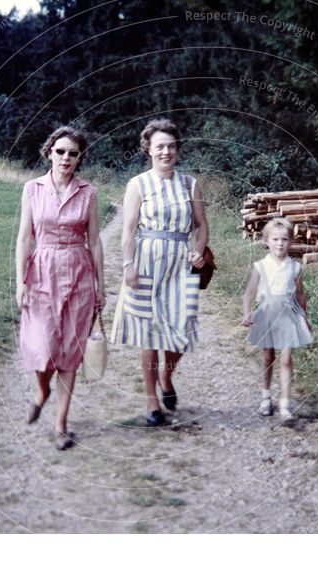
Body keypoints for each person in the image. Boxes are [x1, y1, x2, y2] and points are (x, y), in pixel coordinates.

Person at [111, 119, 208, 426]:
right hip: (147, 261)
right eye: (159, 147)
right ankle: (152, 402)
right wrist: (128, 267)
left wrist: (199, 250)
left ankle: (167, 375)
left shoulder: (189, 184)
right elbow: (128, 231)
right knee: (148, 335)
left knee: (178, 334)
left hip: (181, 262)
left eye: (171, 146)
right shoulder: (137, 184)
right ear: (148, 150)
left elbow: (201, 224)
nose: (166, 152)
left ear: (177, 150)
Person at [15, 126, 104, 450]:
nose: (66, 158)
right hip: (42, 272)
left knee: (69, 351)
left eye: (73, 153)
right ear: (49, 152)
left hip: (78, 272)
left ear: (80, 158)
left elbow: (94, 241)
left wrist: (100, 286)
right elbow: (25, 237)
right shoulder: (32, 189)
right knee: (42, 347)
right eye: (61, 151)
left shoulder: (88, 192)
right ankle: (42, 390)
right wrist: (19, 282)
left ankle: (61, 424)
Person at [241, 218, 313, 420]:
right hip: (266, 315)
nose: (279, 244)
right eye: (275, 239)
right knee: (268, 357)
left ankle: (285, 405)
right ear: (266, 241)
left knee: (286, 359)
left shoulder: (295, 268)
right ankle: (266, 397)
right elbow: (249, 293)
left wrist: (305, 318)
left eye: (284, 239)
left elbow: (300, 295)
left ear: (291, 242)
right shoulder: (260, 266)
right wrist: (247, 312)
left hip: (289, 316)